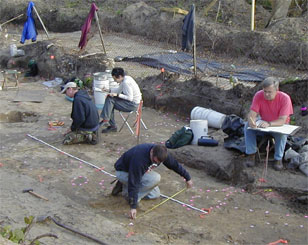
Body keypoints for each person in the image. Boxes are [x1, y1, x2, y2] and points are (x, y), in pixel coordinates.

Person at [111, 143, 193, 219]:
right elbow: (134, 182)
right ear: (151, 152)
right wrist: (133, 206)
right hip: (123, 172)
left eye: (158, 162)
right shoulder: (139, 159)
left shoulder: (162, 153)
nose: (155, 163)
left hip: (137, 172)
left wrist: (187, 178)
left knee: (155, 194)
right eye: (154, 161)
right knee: (155, 178)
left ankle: (125, 187)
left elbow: (174, 165)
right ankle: (129, 195)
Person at [244, 77, 293, 171]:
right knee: (247, 127)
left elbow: (283, 120)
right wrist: (251, 121)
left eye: (269, 92)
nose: (266, 94)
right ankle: (251, 154)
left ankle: (278, 159)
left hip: (278, 126)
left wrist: (269, 124)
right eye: (264, 91)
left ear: (277, 90)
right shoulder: (258, 95)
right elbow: (252, 113)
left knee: (282, 135)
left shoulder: (285, 98)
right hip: (263, 124)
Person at [100, 67, 141, 133]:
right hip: (133, 102)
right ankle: (107, 120)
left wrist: (117, 95)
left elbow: (130, 98)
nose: (114, 81)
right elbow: (119, 90)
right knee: (110, 100)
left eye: (115, 79)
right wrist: (108, 90)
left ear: (119, 76)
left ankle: (108, 121)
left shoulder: (126, 82)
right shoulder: (126, 78)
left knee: (110, 101)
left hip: (132, 104)